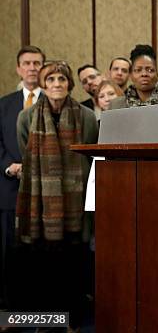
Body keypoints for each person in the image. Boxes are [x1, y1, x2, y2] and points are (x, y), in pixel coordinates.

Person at [15, 60, 98, 332]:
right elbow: (25, 154)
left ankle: (72, 320)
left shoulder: (85, 116)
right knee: (43, 266)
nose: (56, 85)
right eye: (50, 80)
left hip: (75, 203)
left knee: (74, 263)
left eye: (61, 79)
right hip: (42, 203)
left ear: (69, 84)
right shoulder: (26, 118)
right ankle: (46, 321)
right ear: (42, 84)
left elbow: (89, 151)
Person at [0, 46, 44, 309]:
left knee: (39, 254)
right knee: (9, 254)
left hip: (42, 192)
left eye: (37, 63)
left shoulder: (53, 102)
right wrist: (10, 166)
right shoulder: (4, 104)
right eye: (26, 63)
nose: (31, 68)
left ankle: (40, 311)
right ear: (18, 68)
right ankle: (10, 310)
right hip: (8, 189)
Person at [109, 44, 158, 108]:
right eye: (138, 70)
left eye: (150, 70)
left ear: (157, 74)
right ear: (131, 75)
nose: (144, 74)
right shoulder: (116, 105)